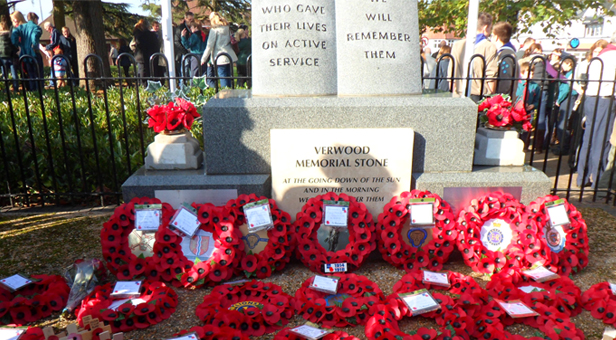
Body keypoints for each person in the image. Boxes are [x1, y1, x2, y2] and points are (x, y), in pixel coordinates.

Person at [576, 31, 616, 189]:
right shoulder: (613, 55)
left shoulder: (601, 55)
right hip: (605, 98)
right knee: (602, 138)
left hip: (591, 97)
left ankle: (582, 177)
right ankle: (599, 180)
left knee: (588, 137)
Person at [450, 12, 498, 102]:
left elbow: (451, 76)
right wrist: (491, 98)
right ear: (485, 27)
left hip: (458, 94)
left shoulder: (457, 45)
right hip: (479, 95)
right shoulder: (489, 47)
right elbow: (491, 77)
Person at [201, 12, 237, 89]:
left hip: (220, 57)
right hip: (229, 55)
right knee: (229, 77)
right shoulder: (227, 27)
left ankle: (225, 97)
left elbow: (209, 45)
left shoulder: (214, 30)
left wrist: (203, 59)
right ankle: (231, 95)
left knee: (223, 77)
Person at [552, 58, 579, 155]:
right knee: (564, 123)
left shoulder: (569, 75)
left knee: (562, 124)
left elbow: (566, 89)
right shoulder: (571, 73)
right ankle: (563, 146)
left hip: (567, 99)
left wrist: (558, 100)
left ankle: (563, 148)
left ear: (569, 64)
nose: (562, 66)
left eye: (563, 64)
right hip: (570, 98)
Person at [11, 11, 42, 91]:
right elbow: (34, 36)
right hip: (34, 53)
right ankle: (39, 90)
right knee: (38, 73)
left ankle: (32, 89)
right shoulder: (36, 27)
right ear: (35, 19)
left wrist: (17, 44)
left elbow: (14, 35)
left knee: (30, 73)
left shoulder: (21, 27)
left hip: (24, 54)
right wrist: (34, 46)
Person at [517, 61, 541, 150]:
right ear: (522, 73)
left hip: (528, 113)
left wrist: (533, 105)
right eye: (529, 72)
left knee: (525, 132)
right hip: (517, 112)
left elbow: (537, 100)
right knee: (516, 131)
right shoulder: (517, 84)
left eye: (533, 72)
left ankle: (523, 148)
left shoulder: (535, 86)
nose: (531, 74)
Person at [492, 22, 517, 96]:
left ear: (496, 37)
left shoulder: (506, 55)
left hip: (502, 101)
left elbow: (505, 80)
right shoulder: (507, 52)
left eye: (492, 36)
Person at [132, 19, 160, 85]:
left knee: (142, 72)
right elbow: (156, 46)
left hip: (140, 57)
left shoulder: (137, 33)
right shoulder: (150, 35)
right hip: (147, 56)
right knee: (147, 73)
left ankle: (143, 85)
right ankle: (145, 86)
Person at [174, 12, 194, 79]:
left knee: (193, 72)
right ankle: (183, 86)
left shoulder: (193, 27)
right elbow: (176, 41)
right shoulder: (181, 28)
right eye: (190, 19)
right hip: (183, 53)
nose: (191, 21)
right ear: (185, 19)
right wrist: (184, 51)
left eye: (192, 20)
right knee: (184, 72)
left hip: (192, 52)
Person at [0, 20, 18, 91]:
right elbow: (14, 44)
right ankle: (16, 88)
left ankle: (5, 88)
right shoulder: (10, 34)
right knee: (14, 74)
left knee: (4, 74)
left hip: (2, 56)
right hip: (11, 56)